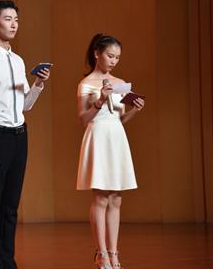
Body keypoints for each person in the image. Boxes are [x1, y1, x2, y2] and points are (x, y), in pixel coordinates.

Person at [0, 0, 50, 269]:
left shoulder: (17, 60)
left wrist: (38, 83)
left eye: (16, 19)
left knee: (11, 206)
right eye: (8, 19)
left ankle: (8, 261)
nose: (14, 24)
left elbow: (25, 105)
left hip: (19, 135)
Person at [76, 33, 145, 269]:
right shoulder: (86, 83)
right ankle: (101, 253)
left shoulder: (120, 83)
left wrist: (135, 110)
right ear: (97, 53)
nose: (114, 61)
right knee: (101, 197)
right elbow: (83, 119)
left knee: (116, 197)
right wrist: (99, 101)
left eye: (117, 57)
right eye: (110, 55)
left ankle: (114, 253)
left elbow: (120, 119)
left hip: (116, 137)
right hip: (97, 136)